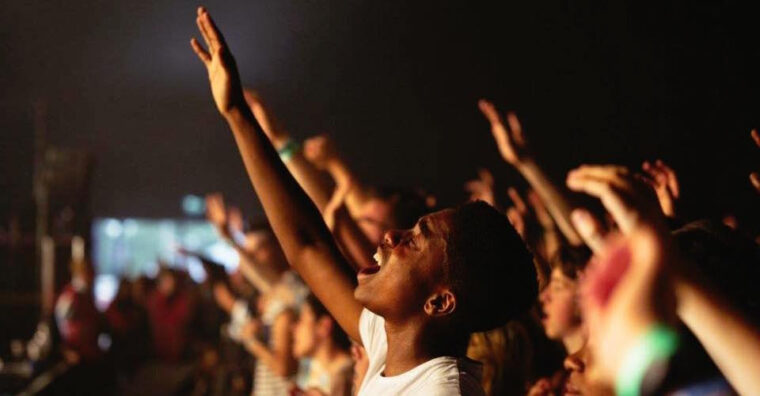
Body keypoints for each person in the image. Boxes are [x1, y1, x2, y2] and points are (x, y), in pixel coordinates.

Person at [189, 7, 537, 395]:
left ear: (439, 302)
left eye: (416, 240)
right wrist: (236, 114)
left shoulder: (440, 391)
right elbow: (307, 247)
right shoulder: (392, 346)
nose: (391, 237)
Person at [293, 294, 353, 396]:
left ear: (323, 326)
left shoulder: (350, 377)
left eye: (302, 320)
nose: (294, 328)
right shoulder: (311, 367)